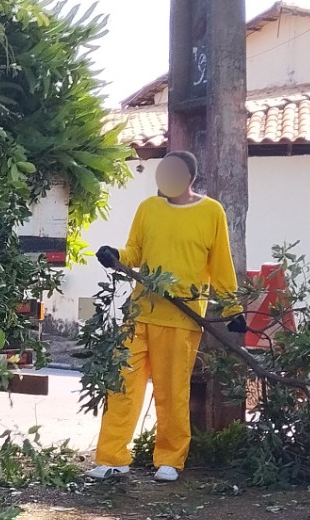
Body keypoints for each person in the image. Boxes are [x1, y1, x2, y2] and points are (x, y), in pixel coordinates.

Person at [90, 150, 247, 483]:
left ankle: (170, 459)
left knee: (172, 391)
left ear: (190, 177)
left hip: (182, 317)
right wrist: (114, 255)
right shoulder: (148, 209)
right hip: (140, 312)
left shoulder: (211, 212)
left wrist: (233, 308)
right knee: (121, 386)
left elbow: (220, 265)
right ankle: (112, 457)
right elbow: (135, 251)